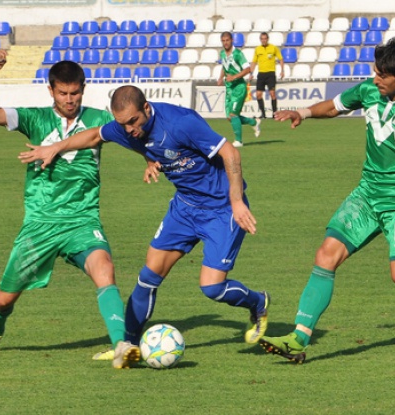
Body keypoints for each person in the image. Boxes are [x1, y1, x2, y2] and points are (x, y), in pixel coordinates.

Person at [18, 85, 271, 353]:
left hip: (222, 208)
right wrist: (56, 147)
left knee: (212, 287)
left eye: (133, 122)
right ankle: (127, 345)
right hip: (184, 207)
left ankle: (258, 303)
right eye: (122, 124)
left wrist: (236, 201)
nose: (128, 130)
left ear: (146, 108)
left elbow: (230, 152)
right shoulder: (125, 126)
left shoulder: (180, 124)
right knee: (148, 276)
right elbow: (94, 136)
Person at [259, 38, 395, 363]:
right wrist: (302, 112)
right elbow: (334, 106)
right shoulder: (369, 91)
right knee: (326, 254)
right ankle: (299, 340)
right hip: (367, 195)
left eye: (383, 74)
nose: (375, 78)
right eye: (375, 71)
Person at [0, 50, 140, 369]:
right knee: (5, 299)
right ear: (51, 91)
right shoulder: (34, 118)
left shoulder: (99, 121)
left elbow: (135, 134)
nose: (69, 99)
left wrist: (150, 161)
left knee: (104, 268)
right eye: (62, 93)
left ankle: (121, 344)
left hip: (81, 219)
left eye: (74, 92)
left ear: (83, 89)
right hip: (40, 224)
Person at [217, 31, 261, 148]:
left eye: (227, 40)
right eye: (223, 41)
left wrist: (234, 77)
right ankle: (254, 122)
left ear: (232, 40)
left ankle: (238, 141)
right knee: (230, 117)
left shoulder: (238, 54)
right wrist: (221, 77)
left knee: (233, 114)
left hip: (239, 87)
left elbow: (248, 69)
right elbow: (224, 66)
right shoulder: (222, 54)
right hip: (229, 88)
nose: (225, 43)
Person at [249, 32, 284, 119]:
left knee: (272, 93)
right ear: (260, 40)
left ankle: (275, 114)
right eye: (262, 39)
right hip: (261, 74)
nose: (264, 40)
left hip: (270, 73)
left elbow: (281, 59)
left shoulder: (273, 48)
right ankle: (263, 114)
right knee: (258, 95)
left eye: (265, 39)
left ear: (267, 39)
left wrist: (282, 70)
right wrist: (251, 73)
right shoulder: (258, 49)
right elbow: (254, 62)